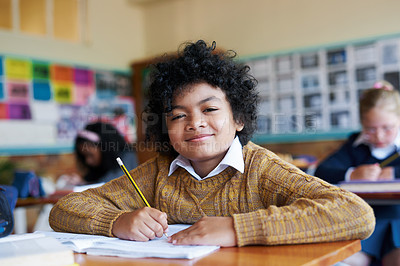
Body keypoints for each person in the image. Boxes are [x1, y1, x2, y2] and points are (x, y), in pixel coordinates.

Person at [49, 40, 374, 248]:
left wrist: (237, 228)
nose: (195, 123)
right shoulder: (156, 174)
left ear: (239, 118)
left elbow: (356, 213)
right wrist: (117, 221)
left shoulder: (262, 170)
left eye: (210, 109)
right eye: (178, 115)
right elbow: (66, 209)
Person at [315, 81, 400, 266]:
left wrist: (395, 171)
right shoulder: (354, 146)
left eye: (387, 128)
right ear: (362, 123)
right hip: (361, 222)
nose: (379, 136)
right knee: (333, 259)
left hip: (398, 220)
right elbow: (322, 171)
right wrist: (352, 174)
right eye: (370, 129)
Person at [59, 121, 138, 186]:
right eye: (84, 156)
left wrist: (83, 184)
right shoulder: (99, 167)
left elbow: (112, 185)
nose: (88, 161)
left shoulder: (126, 156)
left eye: (90, 155)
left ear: (104, 148)